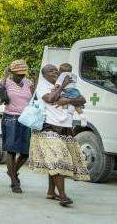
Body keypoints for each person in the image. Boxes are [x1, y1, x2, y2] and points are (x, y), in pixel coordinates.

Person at [29, 64, 89, 207]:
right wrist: (61, 86)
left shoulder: (68, 87)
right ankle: (62, 196)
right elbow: (50, 99)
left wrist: (67, 100)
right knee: (57, 158)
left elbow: (82, 100)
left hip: (65, 129)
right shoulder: (42, 88)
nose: (55, 72)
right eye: (51, 71)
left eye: (56, 70)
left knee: (53, 161)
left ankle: (51, 192)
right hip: (47, 128)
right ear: (44, 75)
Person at [0, 60, 33, 193]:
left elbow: (34, 98)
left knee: (25, 152)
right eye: (18, 74)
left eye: (23, 74)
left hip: (26, 119)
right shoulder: (7, 82)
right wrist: (4, 76)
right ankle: (14, 182)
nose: (21, 76)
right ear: (12, 73)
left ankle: (12, 172)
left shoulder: (29, 83)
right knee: (11, 150)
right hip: (10, 118)